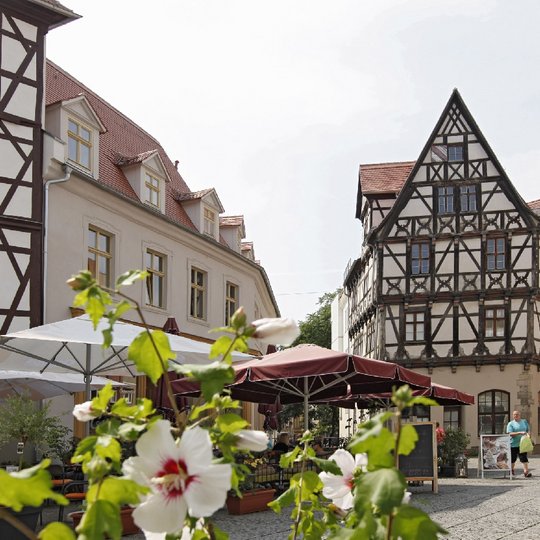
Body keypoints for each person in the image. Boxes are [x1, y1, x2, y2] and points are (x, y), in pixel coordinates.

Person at [506, 410, 532, 477]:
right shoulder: (511, 424)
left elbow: (528, 430)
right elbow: (510, 433)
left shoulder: (524, 421)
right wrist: (519, 433)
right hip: (513, 444)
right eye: (514, 414)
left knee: (524, 458)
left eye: (517, 414)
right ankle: (511, 471)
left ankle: (526, 472)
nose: (515, 416)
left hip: (523, 444)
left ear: (520, 415)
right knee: (513, 459)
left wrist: (528, 435)